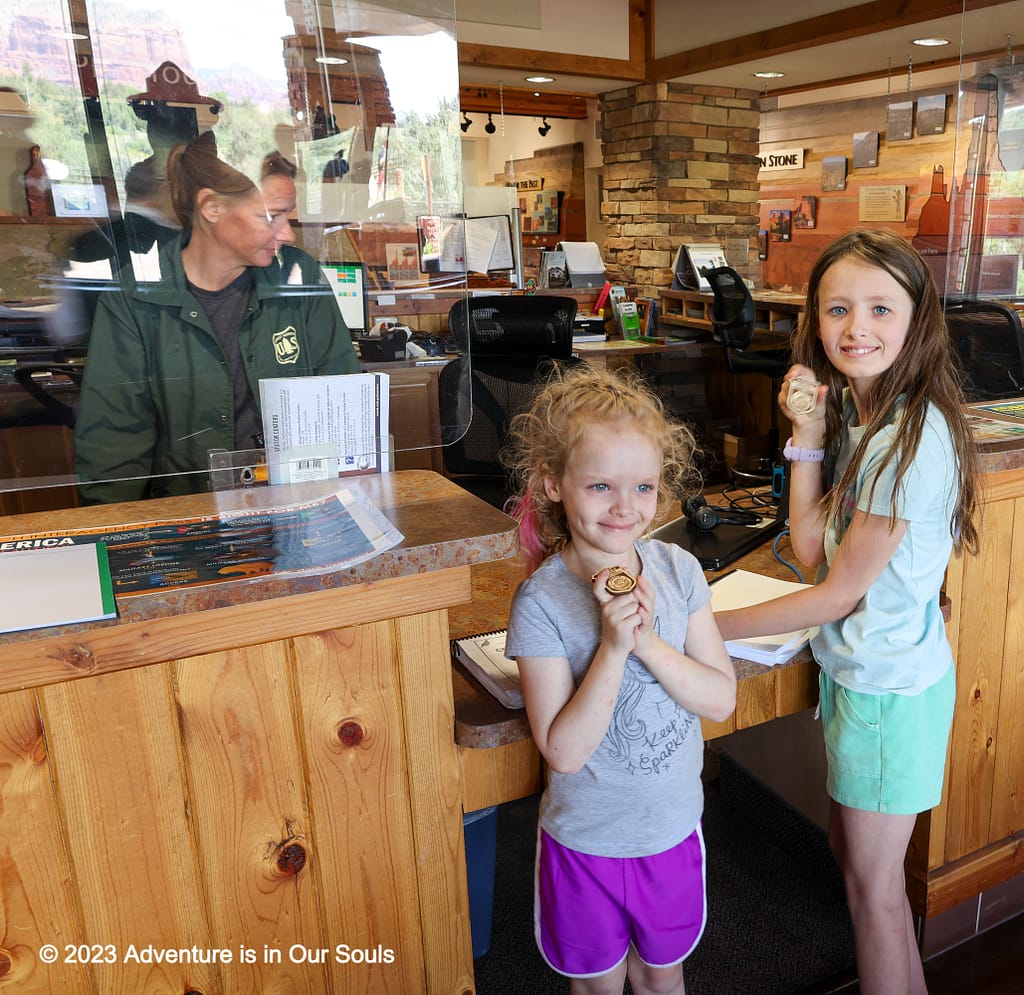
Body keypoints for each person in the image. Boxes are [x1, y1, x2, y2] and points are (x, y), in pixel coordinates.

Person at [715, 229, 981, 995]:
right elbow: (809, 548)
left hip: (887, 696)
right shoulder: (871, 420)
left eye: (879, 308)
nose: (856, 326)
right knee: (862, 871)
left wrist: (701, 623)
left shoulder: (910, 439)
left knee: (873, 896)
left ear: (918, 318)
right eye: (838, 309)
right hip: (865, 683)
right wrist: (806, 434)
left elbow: (837, 594)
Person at [503, 366, 736, 995]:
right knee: (597, 985)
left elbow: (720, 699)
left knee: (663, 978)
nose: (624, 507)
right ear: (553, 484)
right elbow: (564, 751)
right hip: (586, 843)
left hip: (670, 832)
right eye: (601, 485)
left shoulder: (679, 570)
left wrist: (648, 642)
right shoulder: (541, 603)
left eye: (643, 487)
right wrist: (612, 648)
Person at [74, 132, 360, 504]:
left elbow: (343, 403)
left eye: (288, 215)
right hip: (188, 515)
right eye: (271, 216)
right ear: (211, 207)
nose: (288, 233)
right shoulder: (136, 297)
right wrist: (119, 530)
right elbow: (114, 443)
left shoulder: (298, 276)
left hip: (297, 508)